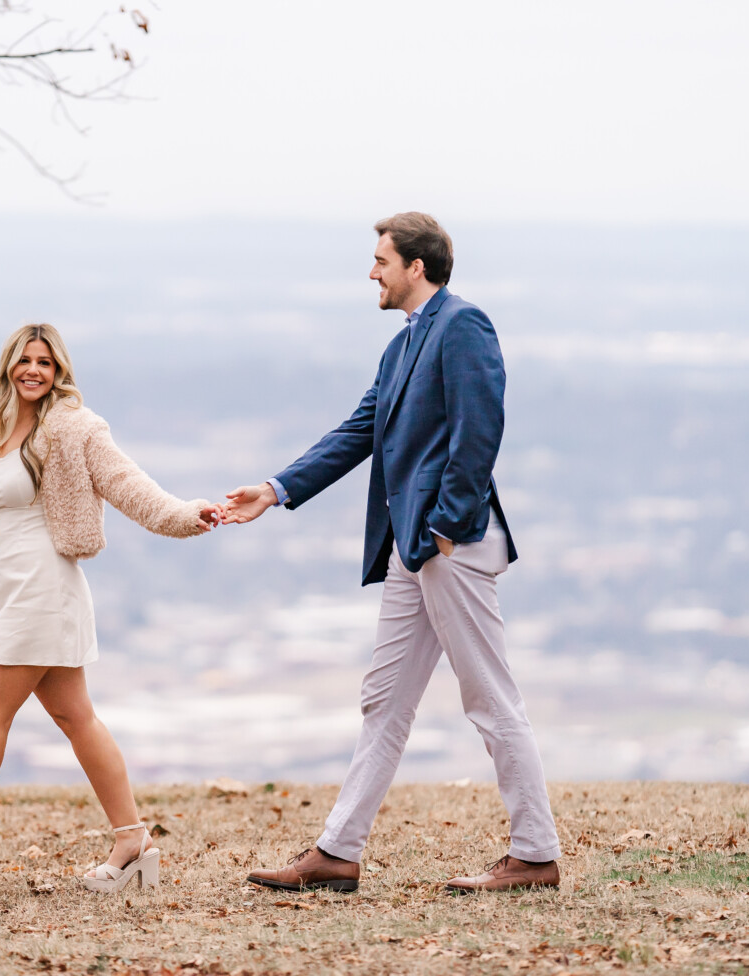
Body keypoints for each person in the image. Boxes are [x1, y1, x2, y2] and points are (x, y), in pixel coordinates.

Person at [223, 213, 562, 894]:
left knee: (489, 697)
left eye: (381, 260)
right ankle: (337, 852)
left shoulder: (462, 325)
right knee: (384, 699)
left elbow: (480, 426)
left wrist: (446, 525)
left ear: (417, 266)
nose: (371, 271)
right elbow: (358, 431)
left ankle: (535, 855)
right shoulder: (403, 345)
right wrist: (275, 489)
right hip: (414, 548)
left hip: (449, 543)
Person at [0, 323, 223, 896]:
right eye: (24, 360)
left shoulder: (75, 429)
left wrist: (188, 514)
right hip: (20, 591)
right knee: (76, 719)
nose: (33, 370)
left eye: (45, 362)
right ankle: (132, 839)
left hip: (47, 591)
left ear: (60, 371)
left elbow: (128, 486)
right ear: (8, 367)